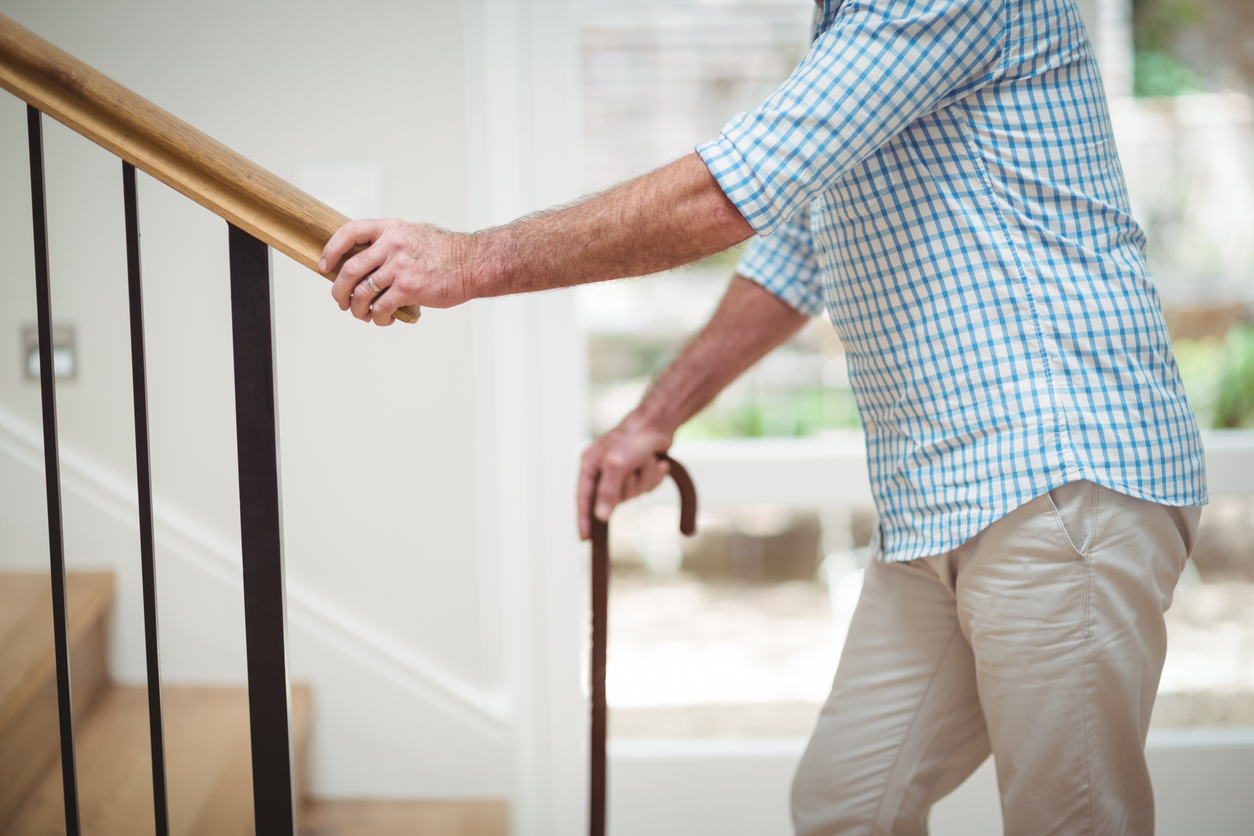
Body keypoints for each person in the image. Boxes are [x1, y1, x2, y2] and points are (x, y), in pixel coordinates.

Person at [320, 0, 1206, 831]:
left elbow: (726, 193)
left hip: (1058, 474)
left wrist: (470, 261)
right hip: (944, 497)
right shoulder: (847, 28)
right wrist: (653, 418)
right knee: (845, 805)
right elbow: (792, 258)